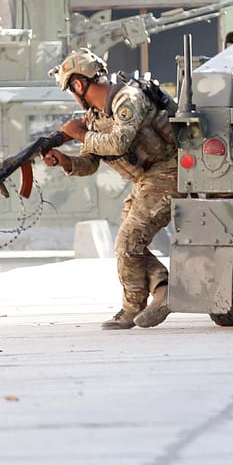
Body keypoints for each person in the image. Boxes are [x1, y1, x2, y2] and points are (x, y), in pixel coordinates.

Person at [44, 47, 177, 330]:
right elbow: (91, 162)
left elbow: (118, 143)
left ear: (78, 84)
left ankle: (132, 308)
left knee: (127, 243)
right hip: (145, 179)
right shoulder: (95, 115)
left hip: (169, 172)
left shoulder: (127, 99)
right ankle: (162, 286)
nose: (72, 96)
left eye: (70, 89)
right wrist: (65, 161)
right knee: (128, 244)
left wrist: (79, 133)